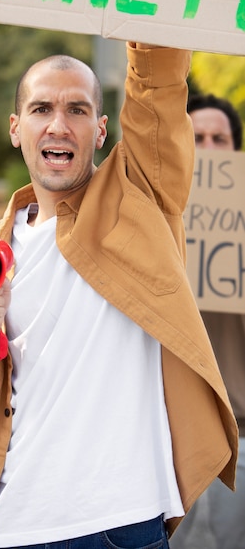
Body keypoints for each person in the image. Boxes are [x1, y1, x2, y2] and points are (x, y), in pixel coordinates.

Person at [0, 43, 238, 549]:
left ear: (100, 131)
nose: (58, 125)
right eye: (41, 109)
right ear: (17, 129)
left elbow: (158, 86)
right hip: (9, 527)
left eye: (77, 109)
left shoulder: (141, 201)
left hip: (119, 526)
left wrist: (149, 13)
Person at [170, 93, 245, 549]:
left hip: (241, 432)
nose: (210, 147)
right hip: (170, 437)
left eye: (221, 138)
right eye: (197, 138)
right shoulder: (148, 223)